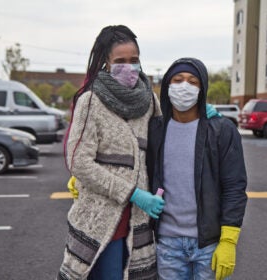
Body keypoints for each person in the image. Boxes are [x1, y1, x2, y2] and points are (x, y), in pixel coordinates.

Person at [57, 25, 165, 280]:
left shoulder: (149, 100)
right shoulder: (91, 101)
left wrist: (203, 119)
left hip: (138, 223)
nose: (128, 67)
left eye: (134, 60)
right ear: (106, 62)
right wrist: (132, 193)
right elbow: (78, 161)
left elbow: (165, 136)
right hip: (101, 224)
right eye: (120, 61)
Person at [147, 57, 248, 280]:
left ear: (202, 88)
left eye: (193, 82)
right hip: (167, 243)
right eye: (178, 79)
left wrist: (229, 240)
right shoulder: (156, 129)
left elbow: (234, 187)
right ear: (167, 86)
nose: (185, 86)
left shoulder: (221, 130)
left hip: (209, 244)